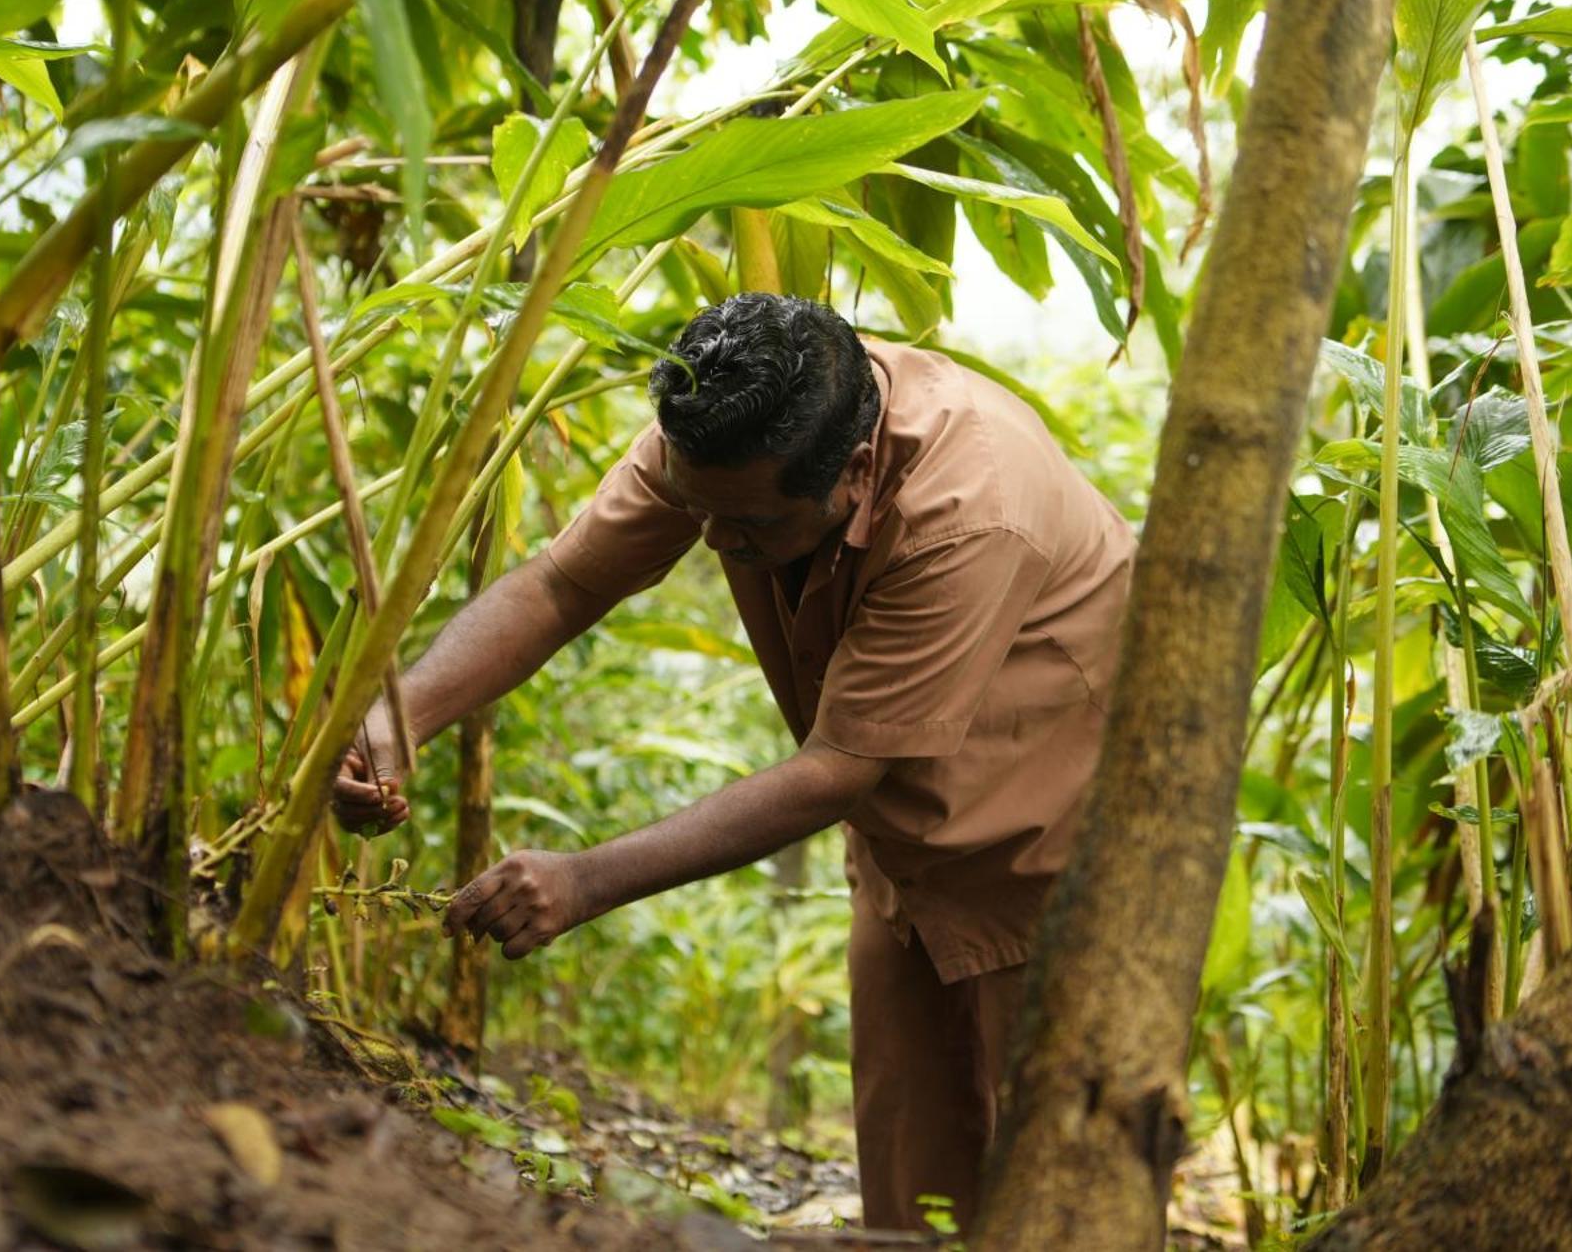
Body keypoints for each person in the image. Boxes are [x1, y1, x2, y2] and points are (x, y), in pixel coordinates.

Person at [332, 293, 1133, 1230]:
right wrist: (396, 722)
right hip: (905, 841)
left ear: (856, 471)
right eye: (699, 508)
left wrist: (584, 880)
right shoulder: (728, 431)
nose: (712, 540)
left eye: (748, 528)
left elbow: (836, 768)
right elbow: (564, 583)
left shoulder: (972, 511)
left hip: (1054, 832)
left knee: (1061, 1174)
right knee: (916, 1176)